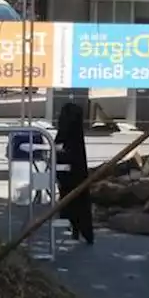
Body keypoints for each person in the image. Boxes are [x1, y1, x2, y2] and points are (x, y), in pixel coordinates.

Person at [54, 102, 94, 245]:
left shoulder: (65, 131)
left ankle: (74, 226)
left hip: (69, 171)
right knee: (80, 201)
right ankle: (79, 228)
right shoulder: (76, 135)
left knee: (71, 197)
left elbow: (59, 144)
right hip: (77, 170)